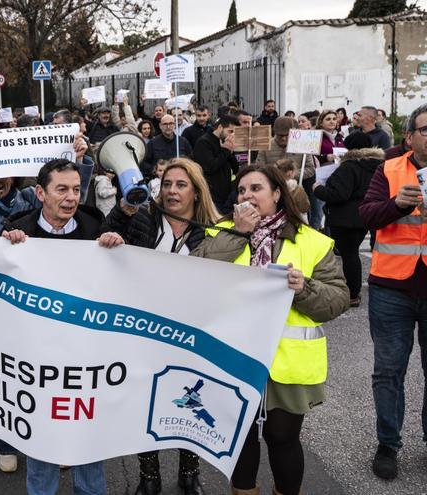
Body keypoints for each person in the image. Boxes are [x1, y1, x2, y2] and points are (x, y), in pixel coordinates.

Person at [193, 164, 348, 495]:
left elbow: (337, 301)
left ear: (277, 194)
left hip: (288, 361)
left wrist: (303, 288)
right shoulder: (220, 232)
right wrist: (237, 233)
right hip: (233, 355)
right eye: (242, 190)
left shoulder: (313, 242)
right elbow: (196, 275)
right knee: (242, 434)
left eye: (256, 189)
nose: (247, 196)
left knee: (282, 437)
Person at [1, 158, 121, 495]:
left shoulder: (94, 226)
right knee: (42, 434)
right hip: (38, 355)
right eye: (61, 190)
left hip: (86, 353)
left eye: (76, 189)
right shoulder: (16, 230)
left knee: (88, 431)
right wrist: (6, 247)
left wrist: (115, 247)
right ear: (40, 193)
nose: (71, 197)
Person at [101, 158, 219, 495]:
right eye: (167, 184)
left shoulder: (212, 229)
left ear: (196, 192)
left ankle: (189, 470)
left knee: (192, 401)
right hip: (146, 331)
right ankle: (148, 475)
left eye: (181, 185)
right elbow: (106, 233)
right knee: (145, 401)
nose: (171, 191)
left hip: (193, 331)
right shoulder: (143, 219)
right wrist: (115, 226)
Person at [358, 103, 427, 481]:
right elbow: (366, 215)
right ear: (410, 137)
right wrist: (395, 205)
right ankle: (388, 443)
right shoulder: (388, 168)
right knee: (388, 371)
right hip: (391, 287)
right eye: (426, 129)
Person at [313, 132, 382, 307]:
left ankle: (352, 293)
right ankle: (359, 289)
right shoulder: (378, 165)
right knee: (355, 254)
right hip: (368, 214)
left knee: (349, 255)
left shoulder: (349, 166)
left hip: (346, 218)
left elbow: (339, 194)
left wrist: (318, 189)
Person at [192, 115, 238, 214]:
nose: (232, 135)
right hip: (211, 196)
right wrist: (225, 151)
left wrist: (230, 152)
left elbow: (235, 168)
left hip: (226, 194)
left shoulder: (225, 143)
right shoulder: (204, 142)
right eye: (230, 131)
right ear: (220, 127)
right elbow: (209, 167)